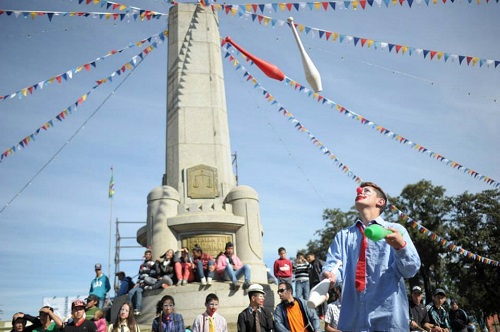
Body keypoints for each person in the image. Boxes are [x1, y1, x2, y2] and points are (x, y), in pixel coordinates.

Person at [322, 182, 421, 331]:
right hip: (353, 321)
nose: (360, 191)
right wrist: (330, 275)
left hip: (388, 319)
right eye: (360, 190)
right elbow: (335, 265)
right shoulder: (343, 236)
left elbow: (410, 270)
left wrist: (401, 246)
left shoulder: (395, 230)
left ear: (380, 202)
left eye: (366, 191)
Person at [128, 249, 156, 316]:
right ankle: (130, 309)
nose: (148, 256)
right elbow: (139, 275)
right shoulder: (142, 265)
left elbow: (154, 273)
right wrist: (137, 283)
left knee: (138, 291)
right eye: (146, 254)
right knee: (131, 292)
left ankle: (138, 309)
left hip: (147, 282)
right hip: (140, 283)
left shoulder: (153, 264)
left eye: (149, 254)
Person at [305, 252, 326, 319]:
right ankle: (320, 314)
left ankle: (325, 314)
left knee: (323, 299)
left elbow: (325, 269)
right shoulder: (310, 265)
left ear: (313, 256)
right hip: (314, 283)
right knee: (317, 300)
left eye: (309, 257)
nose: (308, 259)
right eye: (307, 258)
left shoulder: (319, 262)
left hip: (320, 282)